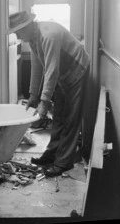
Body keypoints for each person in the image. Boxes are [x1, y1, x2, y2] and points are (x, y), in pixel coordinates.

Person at [8, 11, 90, 177]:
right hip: (62, 74)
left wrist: (44, 101)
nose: (16, 34)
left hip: (77, 70)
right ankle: (52, 153)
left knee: (71, 118)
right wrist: (33, 95)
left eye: (17, 30)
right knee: (59, 116)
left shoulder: (48, 35)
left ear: (28, 26)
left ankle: (63, 162)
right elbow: (37, 66)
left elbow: (52, 68)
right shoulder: (33, 38)